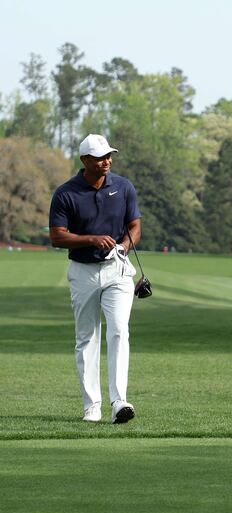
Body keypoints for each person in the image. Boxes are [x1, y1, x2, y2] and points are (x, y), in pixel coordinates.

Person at [48, 134, 139, 424]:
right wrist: (91, 239)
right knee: (87, 338)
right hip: (83, 271)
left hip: (117, 270)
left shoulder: (123, 187)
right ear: (85, 160)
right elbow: (57, 237)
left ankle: (119, 402)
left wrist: (124, 246)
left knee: (119, 331)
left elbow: (134, 225)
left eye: (109, 155)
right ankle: (92, 405)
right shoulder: (66, 193)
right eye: (100, 157)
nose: (107, 161)